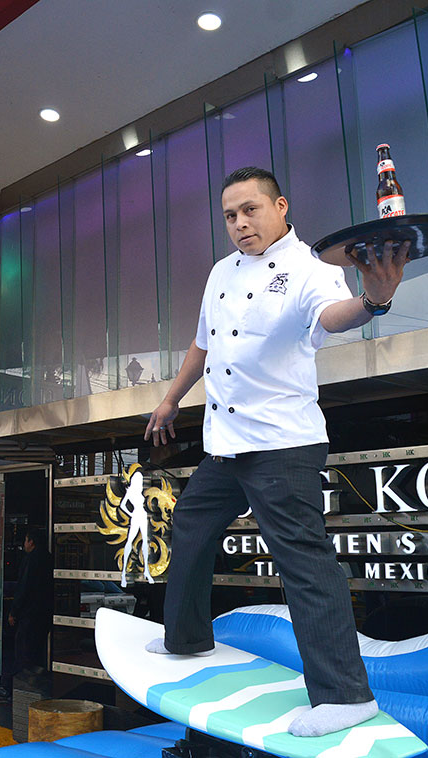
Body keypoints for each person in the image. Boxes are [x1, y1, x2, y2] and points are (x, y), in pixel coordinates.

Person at [143, 167, 408, 738]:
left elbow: (334, 316)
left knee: (304, 563)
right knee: (190, 524)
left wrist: (375, 299)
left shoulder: (312, 267)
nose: (240, 223)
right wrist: (170, 399)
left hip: (283, 443)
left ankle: (346, 696)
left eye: (250, 210)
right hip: (225, 443)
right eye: (230, 216)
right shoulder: (220, 272)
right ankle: (186, 638)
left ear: (280, 206)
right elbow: (202, 344)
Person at [8, 528, 53, 678]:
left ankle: (21, 680)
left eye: (26, 540)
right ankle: (36, 679)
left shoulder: (30, 560)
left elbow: (24, 587)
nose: (24, 544)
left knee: (23, 649)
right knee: (37, 648)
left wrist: (14, 611)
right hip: (44, 611)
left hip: (29, 612)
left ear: (31, 542)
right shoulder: (49, 558)